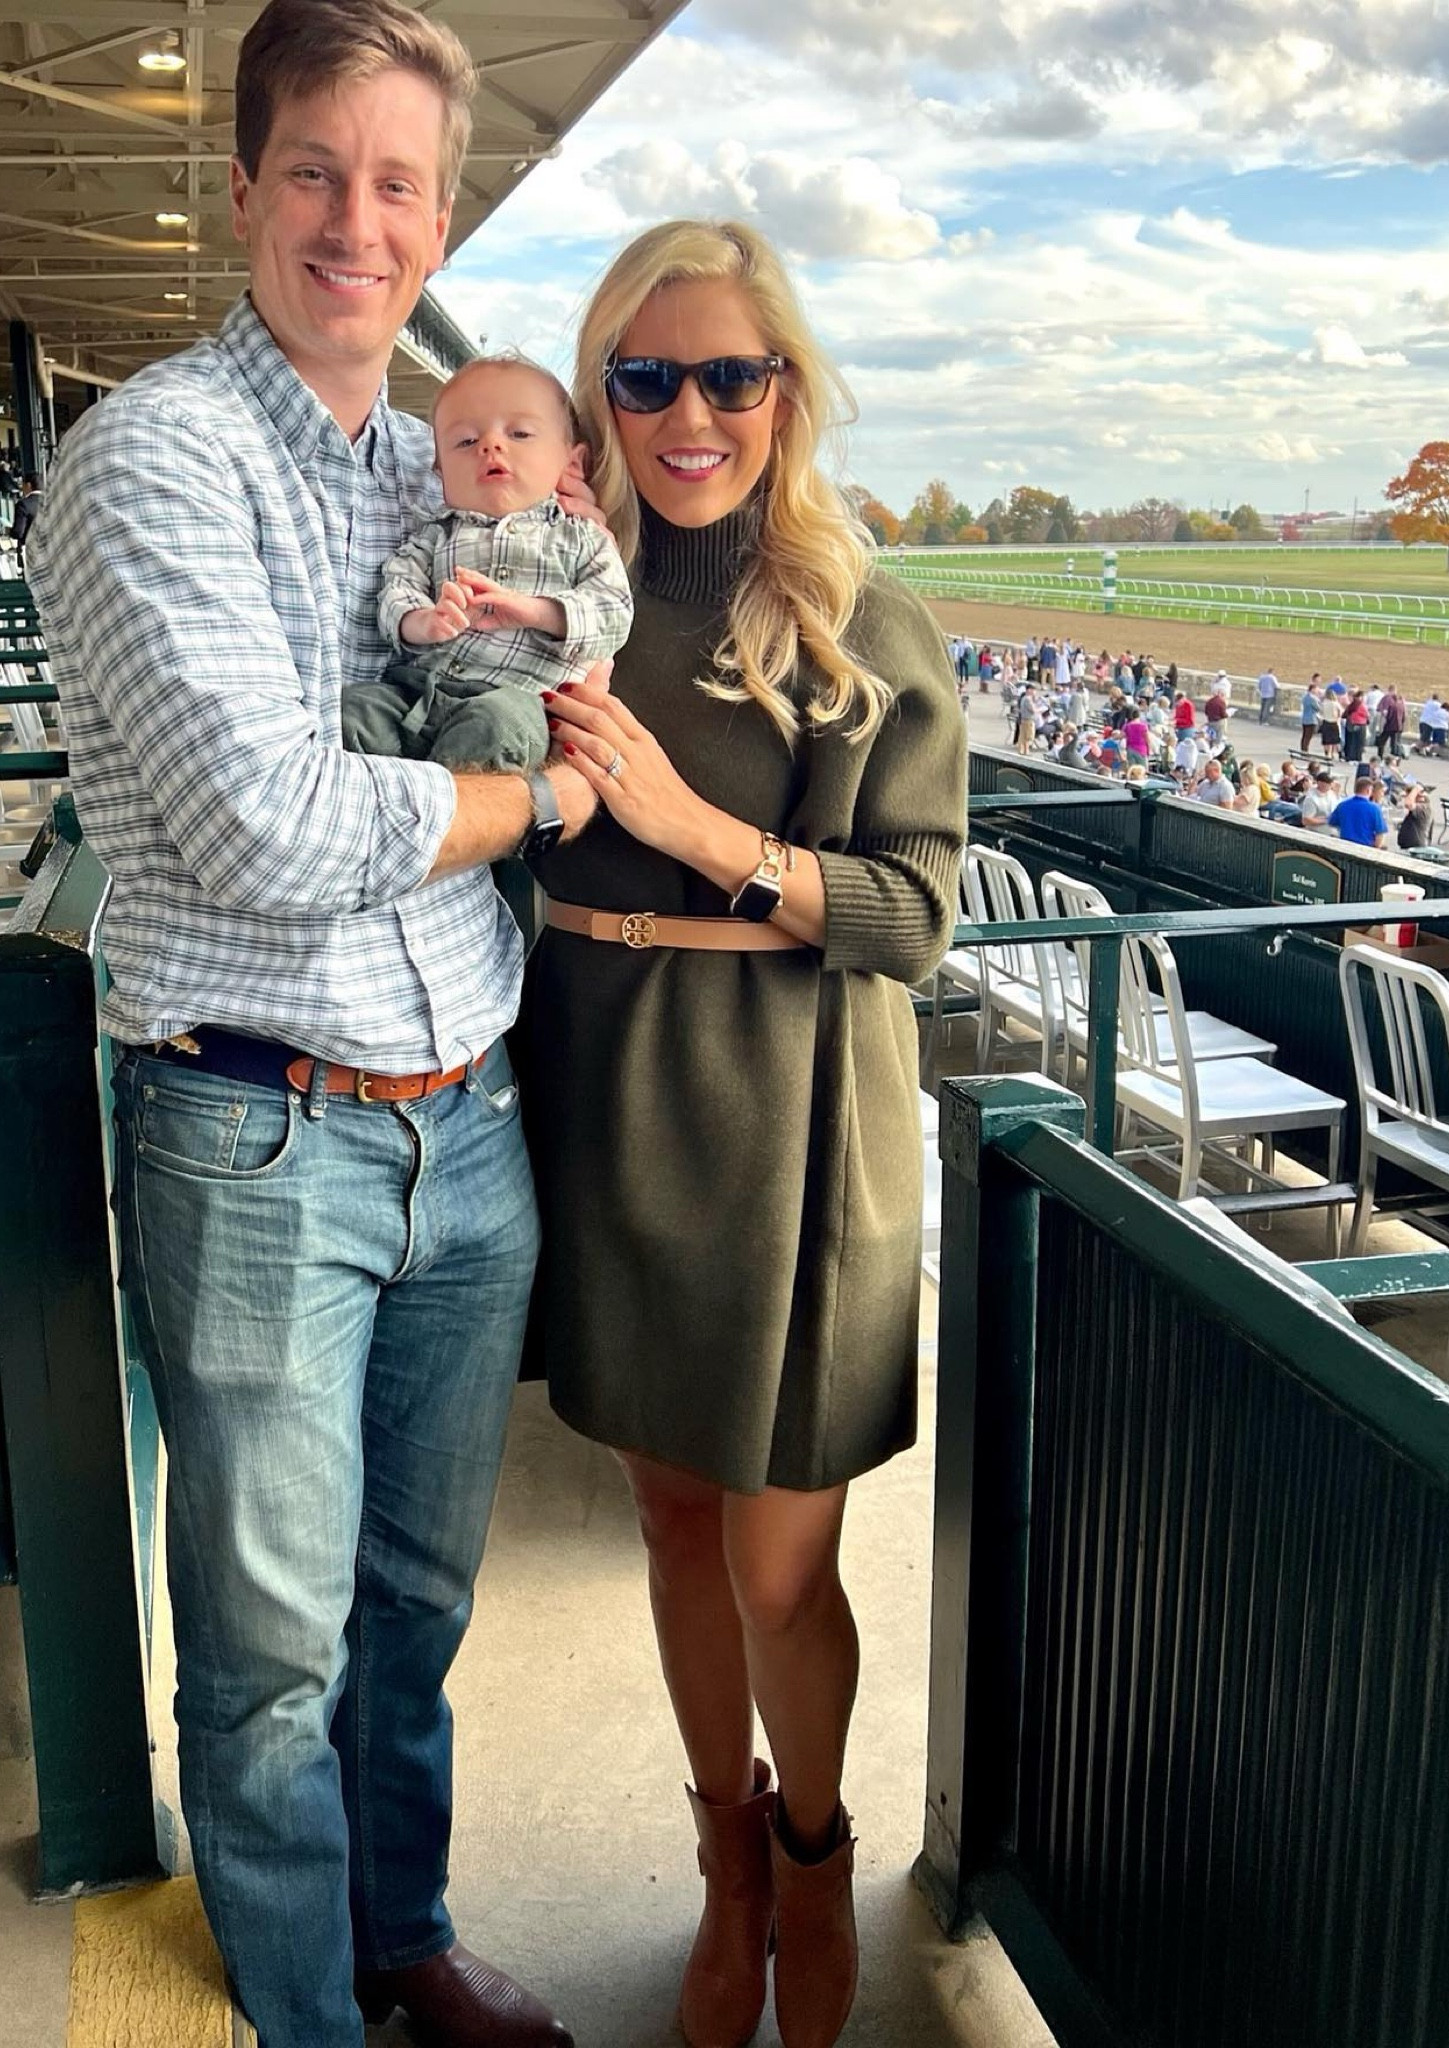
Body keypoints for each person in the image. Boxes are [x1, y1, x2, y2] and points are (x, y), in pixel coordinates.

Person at [29, 4, 593, 2043]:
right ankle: (308, 2014)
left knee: (417, 1608)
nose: (357, 222)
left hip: (474, 1117)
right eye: (314, 173)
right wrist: (535, 801)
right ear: (244, 186)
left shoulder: (426, 479)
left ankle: (396, 1931)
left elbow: (561, 638)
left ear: (440, 219)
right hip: (261, 1132)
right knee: (272, 1645)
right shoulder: (146, 457)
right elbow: (271, 826)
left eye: (397, 185)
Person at [524, 218, 966, 2048]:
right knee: (668, 1515)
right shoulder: (557, 598)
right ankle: (718, 1862)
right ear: (601, 392)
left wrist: (703, 837)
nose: (689, 412)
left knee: (784, 1558)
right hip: (603, 1090)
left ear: (786, 389)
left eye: (730, 374)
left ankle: (807, 1843)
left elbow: (916, 917)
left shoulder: (867, 619)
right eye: (647, 375)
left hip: (793, 1119)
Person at [341, 355, 633, 768]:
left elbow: (614, 612)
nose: (490, 445)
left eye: (520, 433)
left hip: (515, 698)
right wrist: (422, 621)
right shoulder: (435, 534)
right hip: (413, 692)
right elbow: (396, 586)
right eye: (464, 441)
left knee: (499, 730)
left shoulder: (579, 538)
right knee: (347, 712)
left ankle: (457, 822)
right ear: (441, 477)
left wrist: (535, 612)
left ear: (570, 463)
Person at [1331, 775, 1388, 847]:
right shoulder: (1375, 809)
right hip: (1365, 847)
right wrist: (1377, 848)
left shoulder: (1343, 805)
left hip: (1344, 845)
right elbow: (1380, 833)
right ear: (1368, 790)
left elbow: (1333, 822)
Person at [9, 471, 41, 567]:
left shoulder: (23, 504)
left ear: (28, 485)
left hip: (30, 553)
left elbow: (18, 532)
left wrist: (10, 531)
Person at [1298, 678, 1321, 754]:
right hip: (1311, 719)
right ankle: (1305, 750)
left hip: (1304, 718)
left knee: (1304, 735)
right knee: (1308, 736)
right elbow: (1318, 708)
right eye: (1316, 689)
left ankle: (1303, 749)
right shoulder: (1312, 698)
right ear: (1312, 689)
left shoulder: (1305, 697)